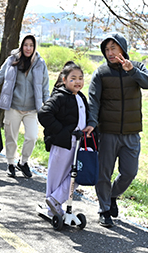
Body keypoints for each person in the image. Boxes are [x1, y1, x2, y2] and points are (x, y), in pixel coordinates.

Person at [89, 32, 148, 227]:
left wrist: (131, 70)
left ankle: (113, 195)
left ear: (122, 49)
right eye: (106, 50)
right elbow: (93, 100)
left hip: (132, 133)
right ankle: (104, 209)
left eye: (113, 48)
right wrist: (92, 123)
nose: (109, 53)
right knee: (104, 173)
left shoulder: (137, 68)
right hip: (108, 132)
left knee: (129, 172)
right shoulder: (101, 73)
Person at [0, 34, 49, 178]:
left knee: (31, 137)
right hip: (13, 107)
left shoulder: (40, 63)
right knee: (11, 137)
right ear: (21, 46)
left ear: (35, 47)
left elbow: (45, 87)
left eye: (31, 45)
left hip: (32, 109)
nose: (28, 48)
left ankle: (23, 162)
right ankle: (10, 163)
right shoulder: (12, 60)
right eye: (26, 45)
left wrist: (47, 106)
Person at [38, 61, 94, 218]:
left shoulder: (81, 97)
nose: (78, 81)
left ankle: (55, 200)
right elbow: (44, 114)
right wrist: (62, 132)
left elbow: (85, 117)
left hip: (79, 144)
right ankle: (52, 209)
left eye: (81, 78)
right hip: (63, 143)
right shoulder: (60, 97)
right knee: (57, 176)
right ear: (64, 80)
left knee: (77, 174)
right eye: (73, 78)